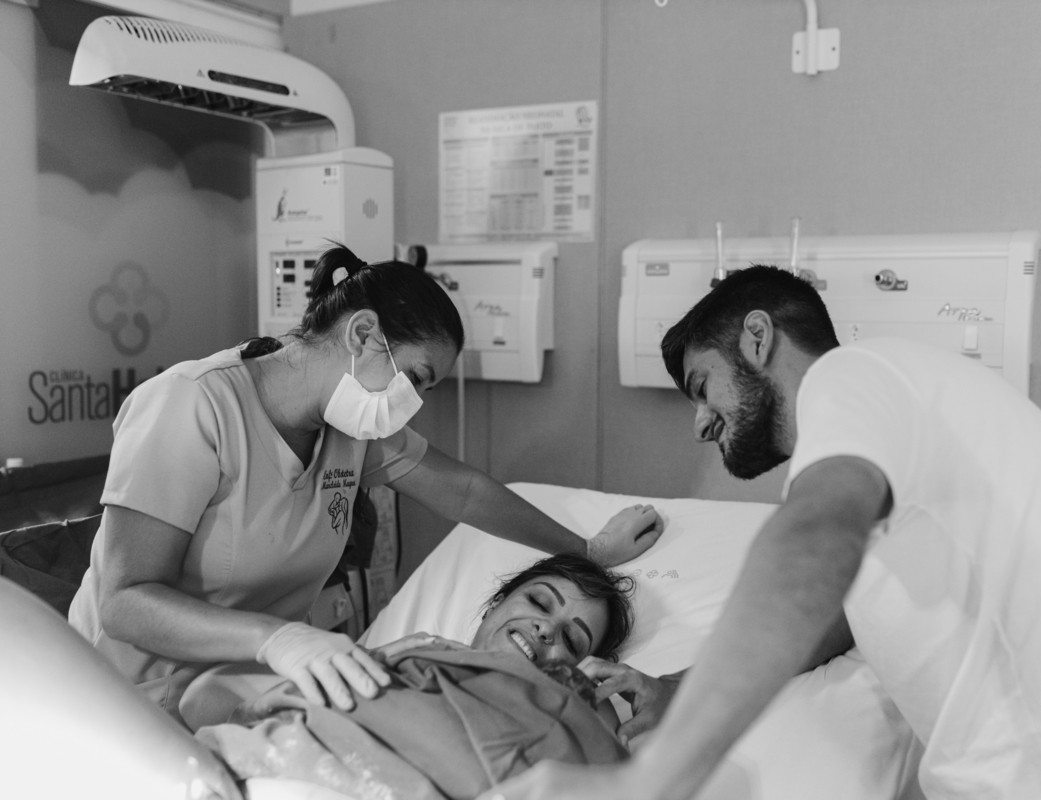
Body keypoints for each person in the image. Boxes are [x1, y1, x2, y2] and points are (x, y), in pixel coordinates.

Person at [489, 265, 1041, 800]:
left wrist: (656, 776)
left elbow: (809, 546)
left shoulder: (855, 379)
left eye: (703, 387)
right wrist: (676, 687)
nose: (701, 424)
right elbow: (837, 609)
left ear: (758, 337)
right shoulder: (912, 420)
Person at [69, 245, 663, 723]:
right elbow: (124, 602)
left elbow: (463, 492)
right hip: (123, 701)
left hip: (252, 688)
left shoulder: (346, 428)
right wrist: (278, 640)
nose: (414, 402)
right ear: (362, 334)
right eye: (416, 378)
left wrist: (585, 551)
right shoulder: (190, 407)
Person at [193, 554, 635, 800]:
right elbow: (212, 702)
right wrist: (371, 660)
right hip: (263, 771)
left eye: (571, 640)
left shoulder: (566, 712)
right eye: (539, 602)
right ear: (495, 604)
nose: (546, 628)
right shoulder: (407, 653)